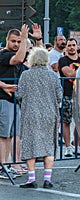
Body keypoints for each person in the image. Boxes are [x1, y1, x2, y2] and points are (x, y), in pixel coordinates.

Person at [17, 47, 63, 188]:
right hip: (49, 114)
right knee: (49, 146)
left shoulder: (25, 75)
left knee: (30, 145)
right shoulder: (53, 76)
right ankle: (47, 179)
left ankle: (31, 179)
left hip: (31, 114)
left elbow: (20, 95)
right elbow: (59, 96)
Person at [0, 25, 29, 180]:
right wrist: (24, 38)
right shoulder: (4, 55)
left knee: (11, 135)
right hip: (3, 99)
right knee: (3, 135)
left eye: (19, 41)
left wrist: (36, 40)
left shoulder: (14, 55)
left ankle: (8, 165)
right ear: (7, 40)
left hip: (13, 99)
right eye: (14, 41)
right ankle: (2, 166)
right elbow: (18, 58)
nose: (17, 44)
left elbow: (26, 61)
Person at [58, 38, 80, 157]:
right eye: (69, 45)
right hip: (66, 94)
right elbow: (68, 73)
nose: (71, 47)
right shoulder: (62, 60)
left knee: (79, 122)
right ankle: (68, 147)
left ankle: (77, 145)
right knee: (66, 122)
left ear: (77, 46)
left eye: (73, 45)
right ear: (66, 47)